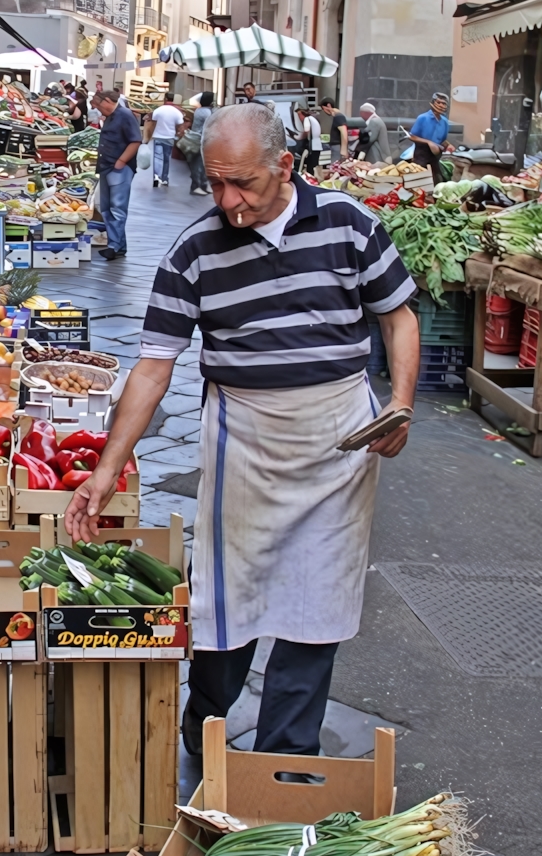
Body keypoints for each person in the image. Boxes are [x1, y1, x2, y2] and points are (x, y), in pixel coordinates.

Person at [65, 102, 420, 762]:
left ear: (285, 167)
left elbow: (398, 316)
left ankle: (287, 759)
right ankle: (206, 723)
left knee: (317, 604)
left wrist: (399, 402)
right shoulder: (194, 249)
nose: (227, 201)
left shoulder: (350, 224)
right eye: (215, 182)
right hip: (246, 442)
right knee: (228, 599)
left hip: (338, 443)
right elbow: (152, 367)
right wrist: (109, 466)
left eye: (242, 184)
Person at [93, 90, 141, 260]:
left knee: (117, 209)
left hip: (119, 168)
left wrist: (121, 161)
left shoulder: (125, 115)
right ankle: (119, 246)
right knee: (106, 208)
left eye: (98, 105)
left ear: (107, 100)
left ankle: (114, 246)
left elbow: (136, 140)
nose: (98, 109)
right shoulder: (112, 116)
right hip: (107, 167)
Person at [407, 93, 453, 183]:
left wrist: (449, 145)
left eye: (443, 103)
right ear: (433, 102)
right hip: (422, 154)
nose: (441, 105)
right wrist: (428, 142)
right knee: (419, 180)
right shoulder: (423, 118)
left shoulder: (444, 122)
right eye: (438, 102)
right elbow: (412, 136)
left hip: (436, 156)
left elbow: (442, 140)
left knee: (437, 180)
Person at [149, 93, 185, 188]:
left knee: (157, 158)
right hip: (169, 138)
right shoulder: (177, 112)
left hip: (157, 137)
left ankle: (156, 176)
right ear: (173, 99)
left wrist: (149, 136)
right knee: (166, 159)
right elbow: (181, 127)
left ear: (165, 98)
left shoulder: (158, 110)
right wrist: (178, 134)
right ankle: (164, 179)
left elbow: (152, 123)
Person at [185, 91, 214, 195]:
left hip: (197, 140)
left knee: (200, 164)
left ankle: (203, 185)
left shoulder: (198, 110)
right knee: (199, 164)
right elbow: (210, 125)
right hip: (200, 140)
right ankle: (196, 186)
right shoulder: (206, 112)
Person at [294, 106, 323, 174]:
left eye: (299, 115)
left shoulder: (307, 119)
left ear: (302, 113)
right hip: (317, 145)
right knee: (314, 165)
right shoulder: (312, 118)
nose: (299, 117)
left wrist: (298, 137)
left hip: (312, 146)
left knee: (311, 167)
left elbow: (306, 130)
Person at [319, 98, 349, 162]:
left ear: (328, 106)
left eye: (322, 108)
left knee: (335, 167)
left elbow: (344, 132)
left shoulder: (338, 116)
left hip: (337, 147)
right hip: (335, 147)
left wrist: (343, 151)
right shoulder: (337, 116)